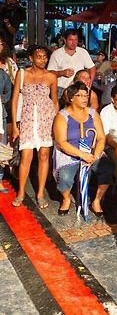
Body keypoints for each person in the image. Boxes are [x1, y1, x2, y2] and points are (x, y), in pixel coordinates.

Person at [53, 82, 110, 216]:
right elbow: (61, 142)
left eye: (86, 95)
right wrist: (81, 154)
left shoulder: (92, 113)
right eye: (80, 95)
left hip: (91, 152)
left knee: (108, 168)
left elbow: (101, 137)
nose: (85, 98)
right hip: (70, 155)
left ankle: (97, 200)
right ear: (71, 97)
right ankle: (66, 199)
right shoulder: (62, 116)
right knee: (65, 177)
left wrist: (95, 155)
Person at [11, 45, 58, 207]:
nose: (43, 60)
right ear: (31, 58)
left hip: (47, 120)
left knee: (44, 156)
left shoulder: (51, 76)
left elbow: (55, 101)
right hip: (28, 119)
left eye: (45, 56)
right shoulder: (22, 74)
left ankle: (40, 193)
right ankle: (21, 192)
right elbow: (15, 99)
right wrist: (16, 126)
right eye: (39, 56)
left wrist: (56, 125)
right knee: (26, 156)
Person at [47, 29, 96, 98]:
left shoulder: (83, 52)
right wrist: (62, 73)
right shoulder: (56, 54)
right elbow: (49, 73)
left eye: (76, 40)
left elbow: (92, 68)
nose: (74, 43)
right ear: (65, 40)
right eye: (71, 40)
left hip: (79, 89)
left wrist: (90, 82)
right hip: (62, 88)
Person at [0, 68, 11, 194]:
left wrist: (2, 99)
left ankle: (0, 180)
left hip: (0, 115)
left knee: (1, 150)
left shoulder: (2, 74)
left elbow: (9, 91)